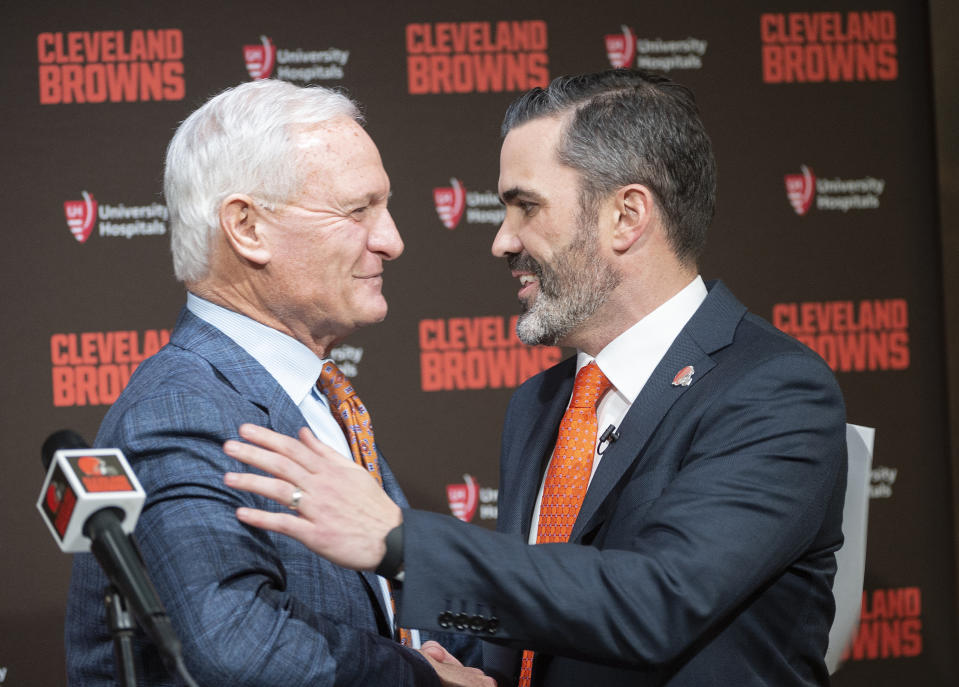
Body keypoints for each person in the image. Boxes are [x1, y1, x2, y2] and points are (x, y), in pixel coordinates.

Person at [222, 69, 848, 686]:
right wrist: (460, 669)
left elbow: (658, 602)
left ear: (626, 217)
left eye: (526, 207)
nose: (501, 240)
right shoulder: (542, 401)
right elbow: (541, 618)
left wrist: (400, 539)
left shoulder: (771, 391)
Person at [64, 79, 490, 687]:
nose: (391, 239)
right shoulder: (180, 409)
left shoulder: (308, 392)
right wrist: (423, 679)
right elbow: (233, 642)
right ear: (247, 227)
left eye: (385, 207)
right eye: (357, 210)